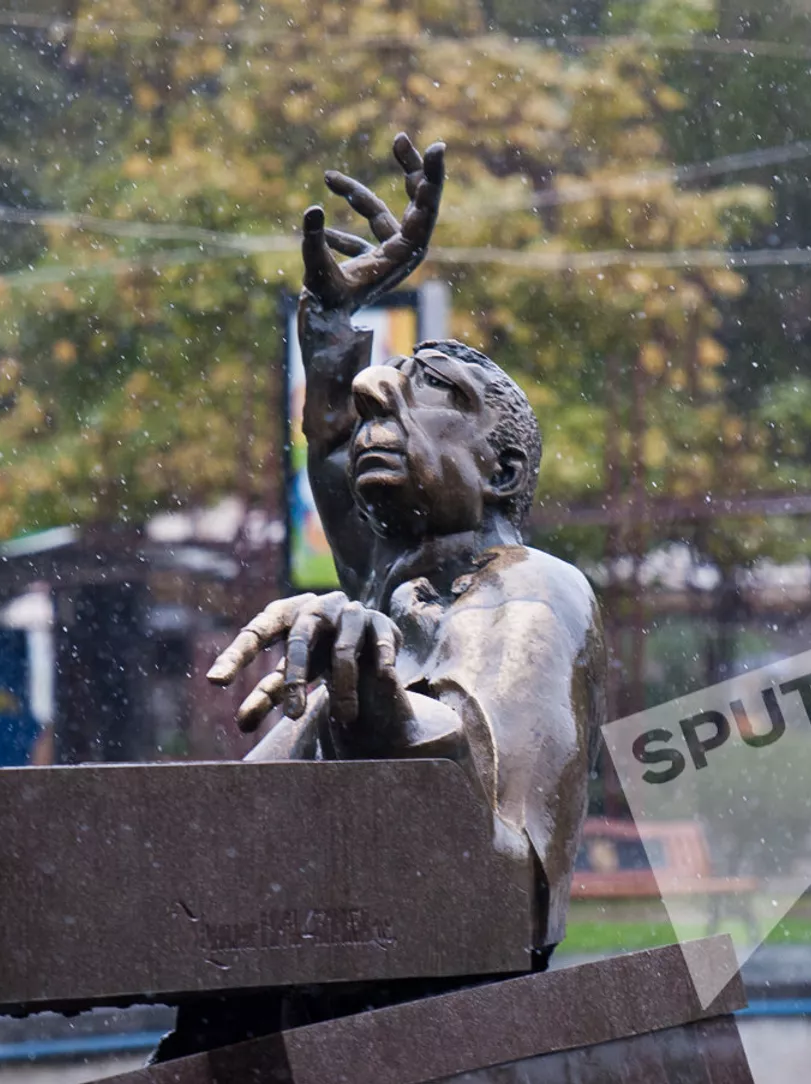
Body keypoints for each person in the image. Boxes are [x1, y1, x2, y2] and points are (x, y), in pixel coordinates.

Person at [208, 134, 607, 953]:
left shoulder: (530, 593)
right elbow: (331, 457)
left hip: (427, 989)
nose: (371, 387)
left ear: (500, 470)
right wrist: (331, 323)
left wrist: (373, 704)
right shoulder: (403, 579)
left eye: (433, 392)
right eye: (383, 387)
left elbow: (508, 884)